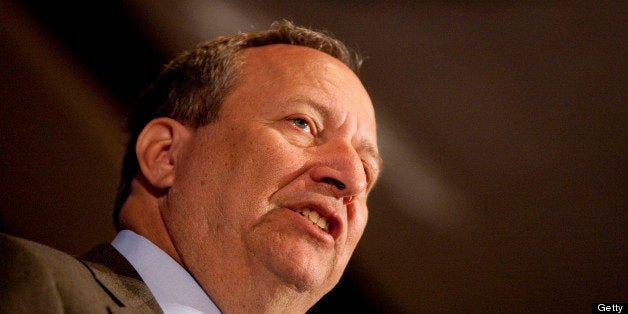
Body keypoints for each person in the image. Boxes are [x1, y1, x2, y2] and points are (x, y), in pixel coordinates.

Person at [0, 20, 382, 313]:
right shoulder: (27, 284)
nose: (350, 177)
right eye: (302, 123)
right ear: (165, 155)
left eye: (367, 169)